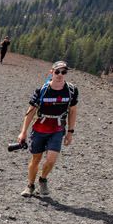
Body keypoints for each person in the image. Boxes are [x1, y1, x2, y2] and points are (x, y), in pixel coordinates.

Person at [17, 60, 78, 197]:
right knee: (36, 159)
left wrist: (70, 132)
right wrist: (23, 132)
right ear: (51, 72)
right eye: (57, 71)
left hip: (57, 129)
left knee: (51, 159)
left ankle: (43, 179)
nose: (60, 74)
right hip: (40, 128)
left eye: (63, 72)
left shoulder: (71, 90)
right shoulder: (42, 91)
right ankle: (30, 185)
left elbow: (73, 111)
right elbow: (31, 112)